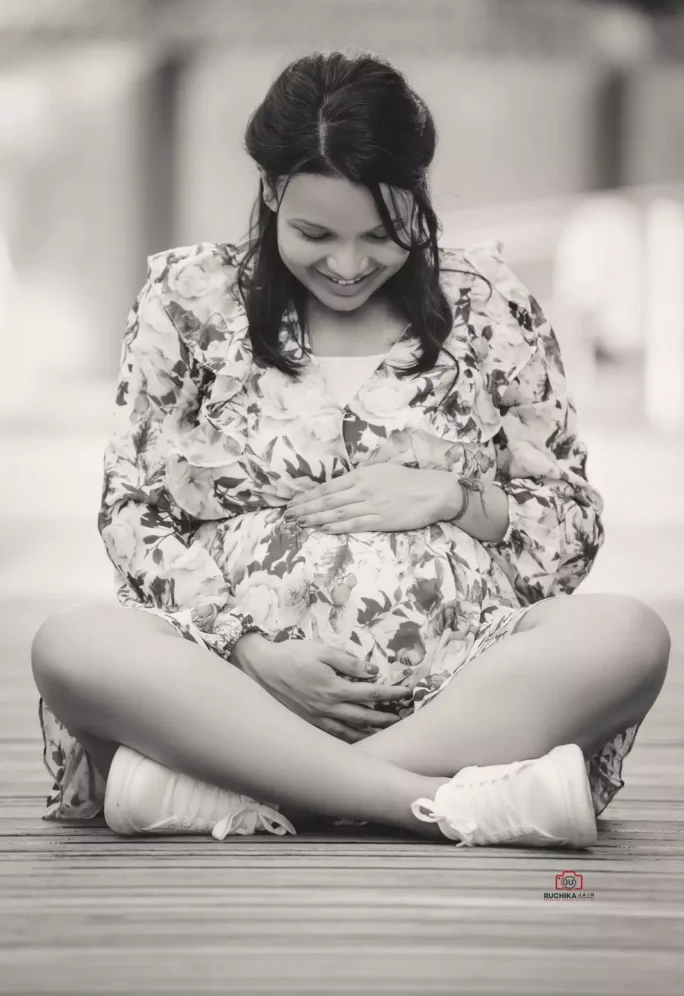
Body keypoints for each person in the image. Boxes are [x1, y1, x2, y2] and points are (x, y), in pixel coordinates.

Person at [31, 50, 670, 848]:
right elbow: (134, 512)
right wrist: (247, 646)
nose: (346, 265)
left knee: (630, 638)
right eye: (313, 233)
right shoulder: (185, 299)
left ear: (418, 197)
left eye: (381, 234)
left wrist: (455, 499)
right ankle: (427, 802)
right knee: (72, 643)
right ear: (269, 192)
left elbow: (569, 525)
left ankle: (273, 793)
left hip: (457, 692)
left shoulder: (488, 302)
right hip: (233, 693)